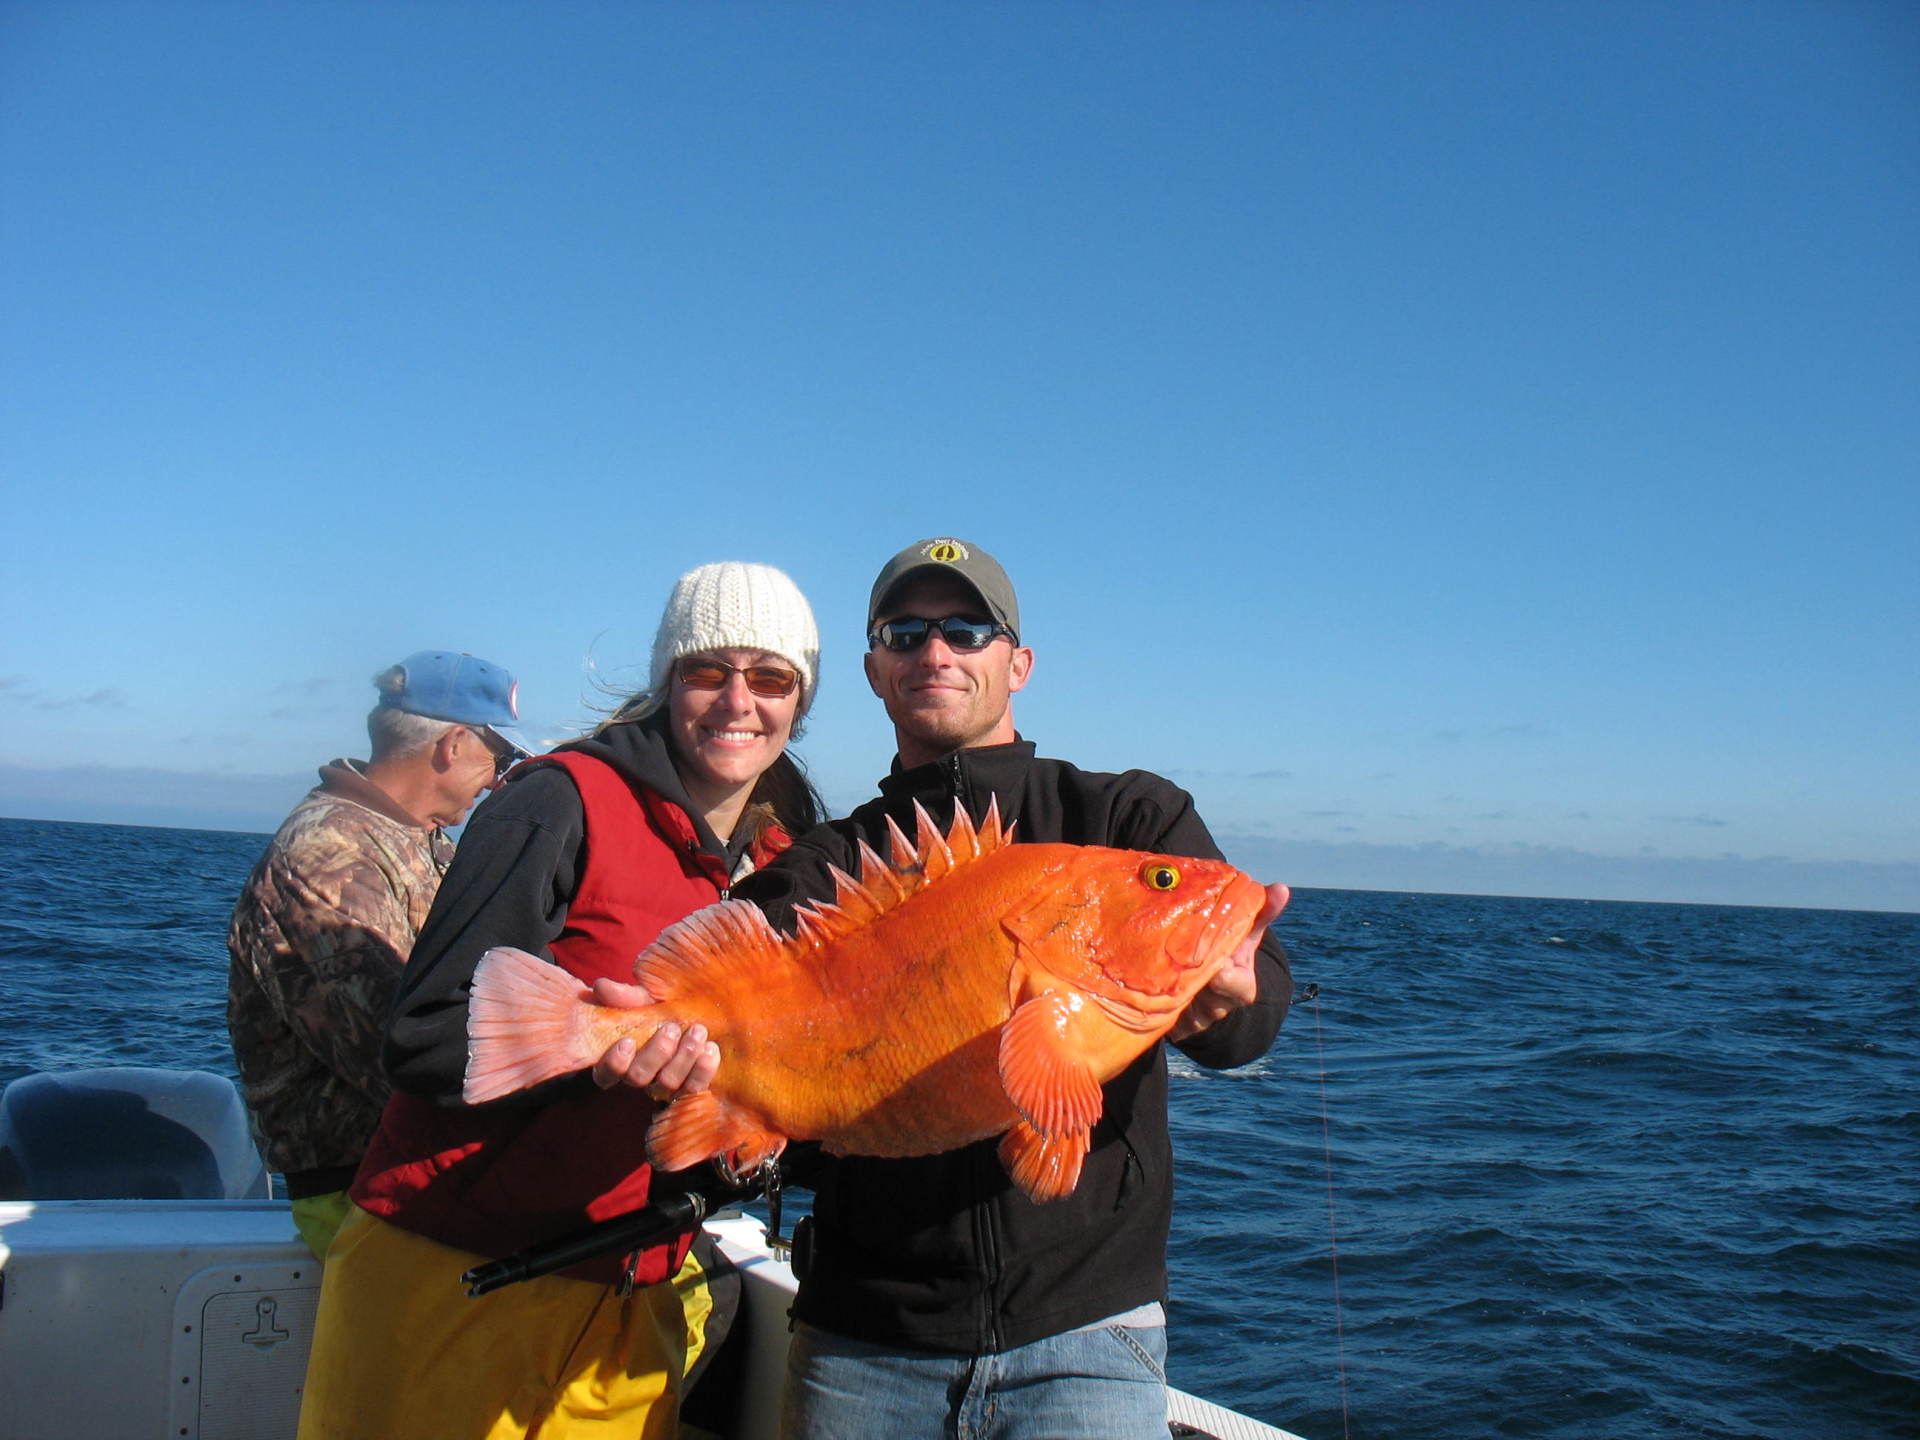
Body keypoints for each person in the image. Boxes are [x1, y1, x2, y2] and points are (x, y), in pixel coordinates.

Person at [729, 536, 1293, 1440]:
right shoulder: (830, 866)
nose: (936, 652)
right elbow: (761, 1071)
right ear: (876, 670)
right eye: (905, 632)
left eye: (967, 628)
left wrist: (1234, 997)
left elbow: (1249, 1018)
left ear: (1018, 662)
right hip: (864, 1343)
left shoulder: (1126, 820)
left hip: (1088, 1340)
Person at [295, 562, 823, 1440]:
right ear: (666, 681)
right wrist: (601, 1064)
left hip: (627, 1295)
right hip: (452, 1273)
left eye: (770, 678)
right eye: (707, 671)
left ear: (799, 701)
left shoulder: (782, 858)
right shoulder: (557, 801)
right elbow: (423, 1036)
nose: (739, 701)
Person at [227, 649, 529, 1258]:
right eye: (502, 758)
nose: (499, 780)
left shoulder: (421, 843)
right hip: (364, 1195)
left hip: (439, 1175)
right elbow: (399, 1058)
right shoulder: (325, 857)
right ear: (454, 744)